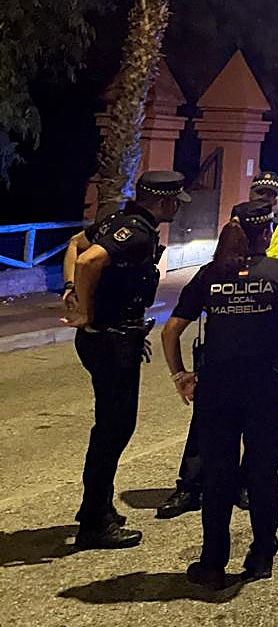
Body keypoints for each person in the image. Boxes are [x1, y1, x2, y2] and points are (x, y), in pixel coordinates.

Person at [161, 199, 278, 589]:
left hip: (217, 390)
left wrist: (181, 375)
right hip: (266, 389)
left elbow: (170, 331)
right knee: (263, 473)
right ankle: (262, 554)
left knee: (217, 476)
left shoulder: (211, 274)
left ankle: (212, 562)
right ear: (265, 234)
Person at [155, 170, 278, 519]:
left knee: (257, 433)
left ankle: (245, 487)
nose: (265, 197)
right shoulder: (228, 241)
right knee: (205, 428)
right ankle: (192, 486)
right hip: (222, 347)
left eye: (271, 193)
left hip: (265, 335)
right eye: (259, 191)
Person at [62, 170, 189, 549]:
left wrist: (70, 289)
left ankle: (97, 507)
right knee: (113, 430)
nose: (177, 210)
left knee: (110, 427)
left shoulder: (116, 218)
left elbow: (74, 245)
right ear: (163, 202)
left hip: (108, 338)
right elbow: (87, 262)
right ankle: (95, 521)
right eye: (175, 203)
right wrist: (82, 306)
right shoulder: (135, 232)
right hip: (112, 340)